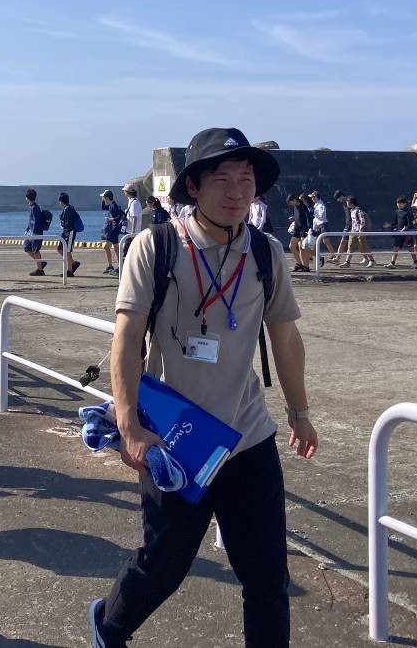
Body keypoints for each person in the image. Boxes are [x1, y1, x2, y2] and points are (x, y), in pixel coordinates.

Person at [88, 127, 317, 648]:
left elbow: (286, 339)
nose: (238, 192)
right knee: (163, 566)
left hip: (248, 439)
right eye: (223, 180)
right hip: (177, 440)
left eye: (247, 180)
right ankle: (109, 625)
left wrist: (300, 412)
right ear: (194, 187)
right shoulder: (156, 246)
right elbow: (124, 339)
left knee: (265, 579)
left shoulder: (266, 252)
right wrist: (129, 425)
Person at [386, 195, 417, 268]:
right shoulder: (397, 212)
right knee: (395, 247)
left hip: (407, 233)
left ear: (404, 204)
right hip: (399, 233)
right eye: (397, 203)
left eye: (400, 203)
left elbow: (411, 224)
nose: (398, 205)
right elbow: (396, 223)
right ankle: (392, 263)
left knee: (410, 248)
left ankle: (416, 262)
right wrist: (389, 225)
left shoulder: (408, 212)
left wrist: (405, 229)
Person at [100, 189, 126, 275]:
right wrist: (102, 198)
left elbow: (119, 217)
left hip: (114, 229)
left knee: (107, 247)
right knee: (115, 248)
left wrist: (110, 219)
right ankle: (117, 266)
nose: (103, 200)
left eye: (104, 198)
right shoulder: (111, 205)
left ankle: (115, 266)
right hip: (114, 229)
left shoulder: (114, 206)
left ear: (107, 198)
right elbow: (103, 207)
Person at [286, 194, 312, 272]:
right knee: (292, 246)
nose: (290, 204)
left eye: (290, 202)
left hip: (304, 230)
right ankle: (299, 264)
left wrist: (308, 230)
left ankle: (306, 267)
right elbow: (297, 217)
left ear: (294, 200)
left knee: (303, 248)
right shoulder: (295, 207)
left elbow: (309, 218)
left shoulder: (303, 207)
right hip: (297, 230)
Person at [59, 191, 82, 277]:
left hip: (69, 232)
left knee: (67, 251)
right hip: (65, 232)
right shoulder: (68, 208)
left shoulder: (69, 209)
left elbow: (69, 223)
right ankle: (73, 263)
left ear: (61, 201)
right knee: (60, 249)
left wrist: (62, 223)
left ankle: (69, 270)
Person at [24, 188, 47, 276]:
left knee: (35, 250)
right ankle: (41, 263)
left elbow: (36, 221)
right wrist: (27, 230)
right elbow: (31, 221)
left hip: (36, 233)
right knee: (26, 247)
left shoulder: (35, 208)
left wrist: (33, 233)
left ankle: (40, 270)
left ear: (27, 197)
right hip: (31, 232)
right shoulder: (32, 207)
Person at [307, 190, 334, 262]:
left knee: (326, 241)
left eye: (313, 197)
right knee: (313, 241)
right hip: (317, 226)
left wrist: (313, 212)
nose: (311, 198)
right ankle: (313, 256)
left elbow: (321, 215)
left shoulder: (321, 205)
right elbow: (316, 218)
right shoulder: (316, 204)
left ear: (316, 197)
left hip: (323, 225)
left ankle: (333, 256)